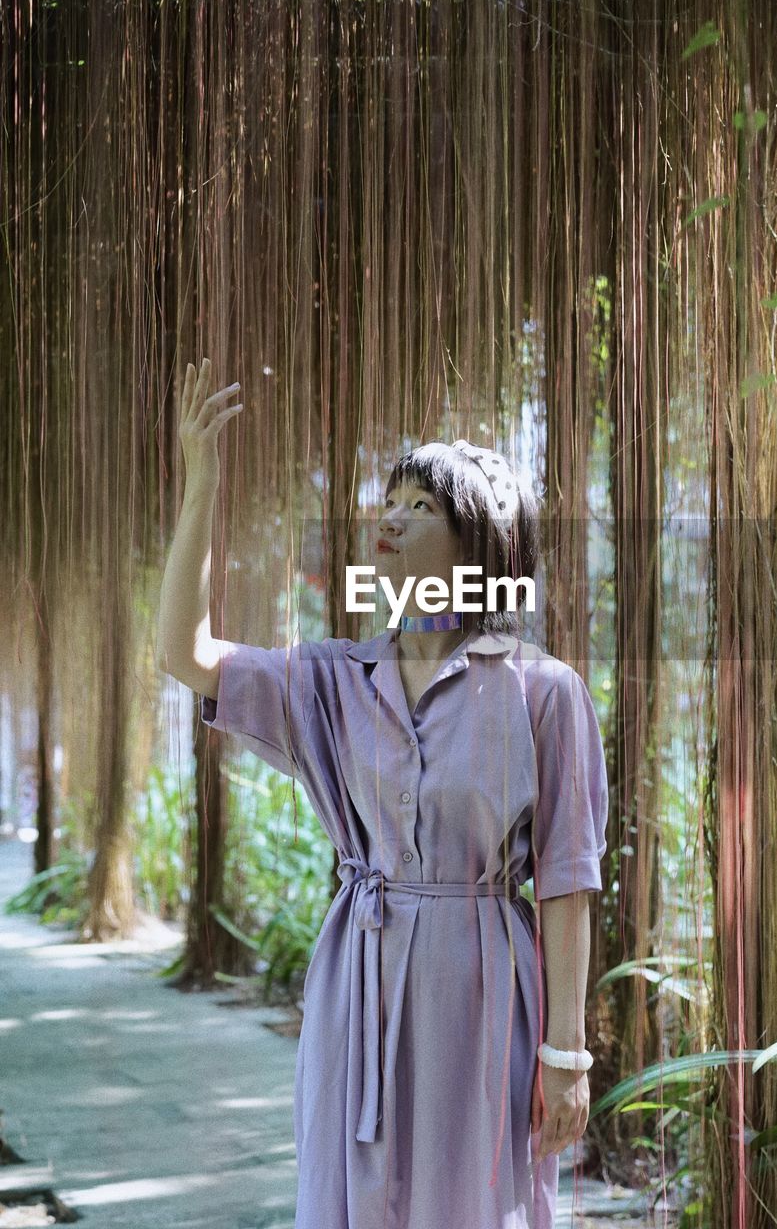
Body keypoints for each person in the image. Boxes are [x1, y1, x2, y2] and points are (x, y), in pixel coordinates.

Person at [157, 358, 609, 1229]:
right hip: (354, 981)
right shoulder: (332, 680)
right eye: (390, 501)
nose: (391, 519)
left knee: (472, 1200)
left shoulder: (543, 693)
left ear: (480, 547)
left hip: (480, 988)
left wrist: (566, 1055)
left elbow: (566, 881)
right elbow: (185, 653)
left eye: (421, 507)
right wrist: (200, 486)